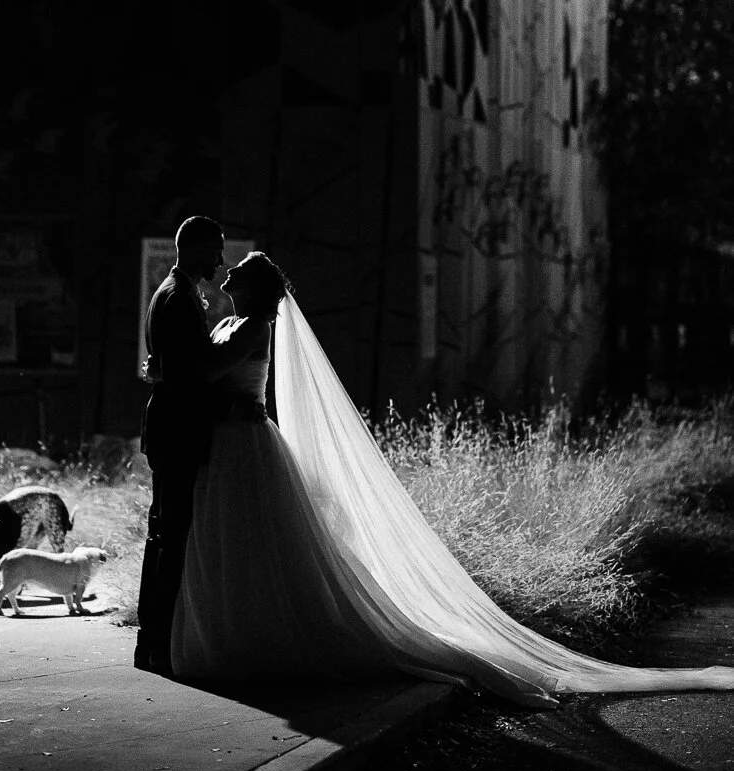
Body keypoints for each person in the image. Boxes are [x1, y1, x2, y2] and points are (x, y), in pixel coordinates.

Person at [170, 250, 734, 707]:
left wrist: (168, 368)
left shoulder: (255, 326)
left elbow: (209, 370)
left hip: (246, 441)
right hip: (224, 444)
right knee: (234, 543)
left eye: (240, 269)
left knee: (255, 539)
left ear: (258, 286)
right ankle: (241, 634)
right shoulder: (225, 319)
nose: (230, 271)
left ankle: (263, 639)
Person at [135, 216, 257, 675]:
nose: (221, 261)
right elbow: (193, 376)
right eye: (216, 251)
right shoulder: (178, 298)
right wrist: (230, 408)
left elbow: (176, 367)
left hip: (171, 429)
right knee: (171, 539)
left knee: (164, 535)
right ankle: (158, 645)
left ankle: (153, 642)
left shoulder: (176, 292)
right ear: (196, 248)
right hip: (178, 431)